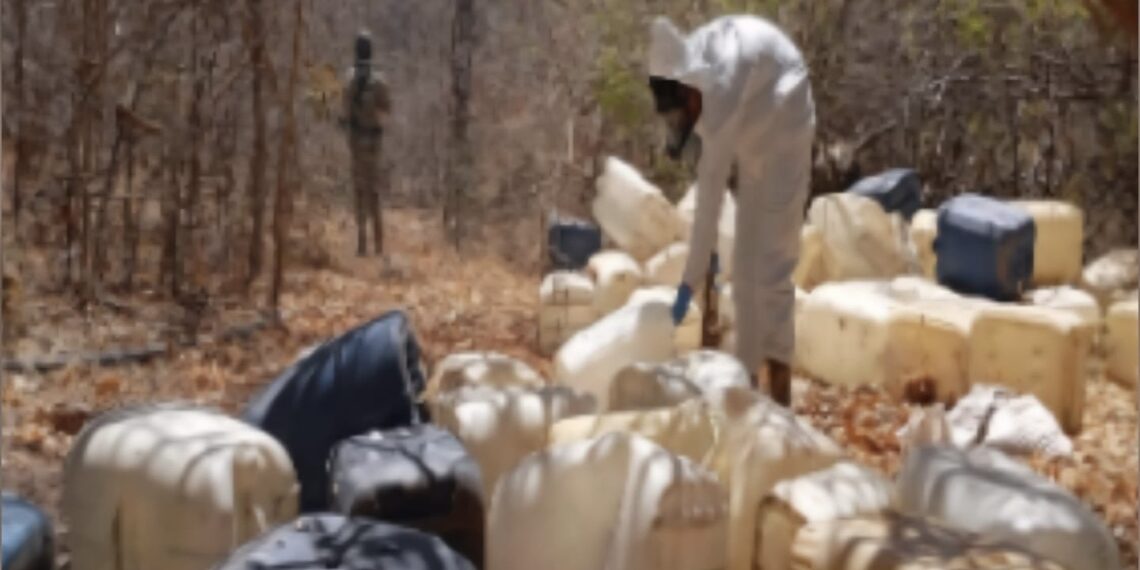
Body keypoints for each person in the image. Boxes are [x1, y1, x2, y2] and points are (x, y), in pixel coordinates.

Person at [647, 15, 816, 406]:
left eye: (681, 113)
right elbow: (707, 204)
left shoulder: (719, 92)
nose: (683, 123)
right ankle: (750, 385)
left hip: (787, 121)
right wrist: (688, 285)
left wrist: (688, 284)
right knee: (743, 268)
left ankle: (780, 394)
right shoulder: (697, 78)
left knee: (771, 266)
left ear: (690, 92)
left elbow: (710, 199)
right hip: (756, 133)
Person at [340, 29, 392, 257]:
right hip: (374, 141)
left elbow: (344, 111)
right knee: (374, 190)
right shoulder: (379, 80)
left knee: (359, 189)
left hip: (355, 140)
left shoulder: (349, 78)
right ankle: (379, 244)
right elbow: (387, 108)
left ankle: (362, 243)